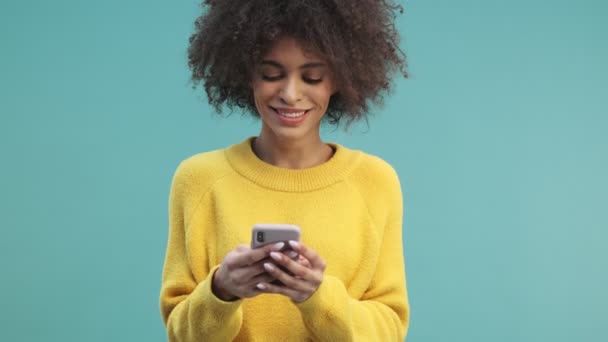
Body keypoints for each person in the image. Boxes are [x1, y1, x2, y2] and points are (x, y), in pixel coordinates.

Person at [159, 0, 410, 340]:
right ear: (247, 74)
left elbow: (389, 331)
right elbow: (180, 333)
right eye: (271, 74)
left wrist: (318, 297)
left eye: (312, 77)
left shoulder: (375, 182)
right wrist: (221, 291)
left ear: (338, 78)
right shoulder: (199, 179)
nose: (291, 94)